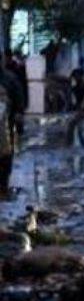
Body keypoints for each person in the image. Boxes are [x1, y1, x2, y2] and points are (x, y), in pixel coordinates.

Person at [1, 56, 26, 199]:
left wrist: (19, 120)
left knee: (6, 156)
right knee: (6, 156)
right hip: (6, 125)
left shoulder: (10, 79)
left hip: (5, 124)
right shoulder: (11, 78)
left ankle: (3, 187)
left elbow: (18, 102)